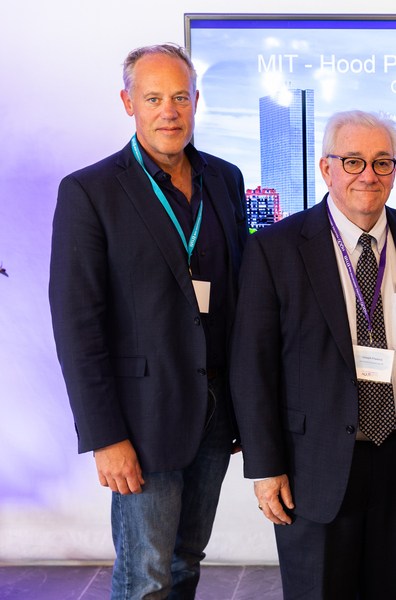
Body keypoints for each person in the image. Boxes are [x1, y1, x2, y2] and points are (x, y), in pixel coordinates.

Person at [229, 110, 396, 600]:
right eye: (353, 161)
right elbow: (253, 367)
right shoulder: (276, 248)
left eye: (382, 162)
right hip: (312, 465)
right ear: (326, 168)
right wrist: (266, 467)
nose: (368, 176)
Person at [49, 44, 248, 599]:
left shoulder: (225, 180)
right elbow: (76, 323)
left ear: (196, 102)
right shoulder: (90, 191)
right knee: (146, 575)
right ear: (128, 103)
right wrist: (105, 435)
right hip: (142, 420)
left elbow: (238, 294)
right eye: (154, 98)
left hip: (214, 411)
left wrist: (243, 406)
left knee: (186, 561)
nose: (169, 111)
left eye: (180, 97)